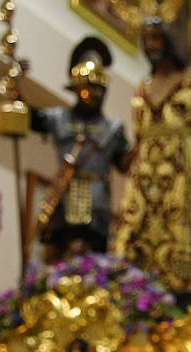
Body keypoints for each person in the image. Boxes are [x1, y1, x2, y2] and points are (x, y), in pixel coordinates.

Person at [113, 15, 191, 290]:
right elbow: (139, 135)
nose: (151, 45)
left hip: (183, 173)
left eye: (157, 38)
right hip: (145, 176)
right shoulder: (142, 89)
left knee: (186, 232)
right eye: (146, 39)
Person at [30, 37, 132, 261]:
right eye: (89, 90)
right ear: (77, 89)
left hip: (97, 200)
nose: (95, 95)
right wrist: (14, 89)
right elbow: (31, 117)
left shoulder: (113, 129)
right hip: (65, 193)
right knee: (56, 249)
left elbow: (126, 163)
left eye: (100, 90)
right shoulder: (58, 118)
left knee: (92, 256)